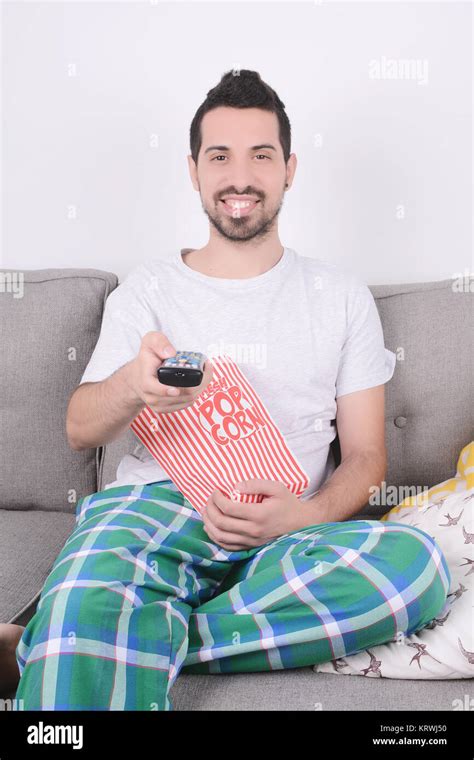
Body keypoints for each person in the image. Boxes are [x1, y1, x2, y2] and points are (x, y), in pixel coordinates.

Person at [2, 69, 450, 710]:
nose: (240, 177)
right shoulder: (148, 291)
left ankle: (66, 638)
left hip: (289, 534)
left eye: (261, 156)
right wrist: (133, 384)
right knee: (98, 580)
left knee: (416, 571)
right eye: (220, 157)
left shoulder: (341, 297)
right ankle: (89, 625)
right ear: (194, 171)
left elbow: (367, 458)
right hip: (156, 511)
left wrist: (308, 514)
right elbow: (81, 426)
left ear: (289, 169)